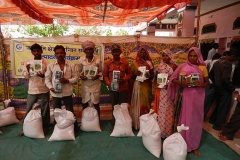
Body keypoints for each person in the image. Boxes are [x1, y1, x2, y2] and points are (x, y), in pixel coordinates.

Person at [167, 47, 210, 156]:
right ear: (188, 56)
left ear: (198, 56)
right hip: (185, 96)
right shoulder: (182, 66)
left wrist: (203, 84)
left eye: (194, 56)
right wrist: (181, 83)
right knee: (184, 118)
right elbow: (173, 78)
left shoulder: (202, 68)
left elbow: (207, 82)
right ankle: (182, 143)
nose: (192, 58)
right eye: (190, 55)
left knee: (195, 120)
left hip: (197, 97)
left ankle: (194, 145)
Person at [45, 45, 79, 136]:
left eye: (61, 52)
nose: (60, 54)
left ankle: (74, 129)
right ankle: (57, 130)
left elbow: (76, 78)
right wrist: (51, 88)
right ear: (55, 55)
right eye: (57, 53)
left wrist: (67, 80)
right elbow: (47, 79)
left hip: (67, 92)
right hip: (55, 93)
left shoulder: (71, 65)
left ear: (65, 53)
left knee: (70, 111)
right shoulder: (50, 66)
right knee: (56, 112)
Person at [18, 43, 50, 137]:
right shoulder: (28, 63)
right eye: (34, 51)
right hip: (32, 89)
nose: (36, 52)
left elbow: (49, 76)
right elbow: (25, 76)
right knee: (28, 108)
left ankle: (45, 127)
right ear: (32, 52)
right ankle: (24, 128)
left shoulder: (46, 63)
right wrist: (28, 70)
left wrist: (43, 76)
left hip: (44, 89)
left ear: (41, 51)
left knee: (45, 108)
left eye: (38, 50)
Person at [103, 44, 132, 125]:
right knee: (114, 107)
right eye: (114, 51)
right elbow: (105, 75)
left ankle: (123, 124)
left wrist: (123, 79)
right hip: (112, 89)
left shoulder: (125, 63)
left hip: (123, 89)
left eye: (117, 51)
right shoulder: (108, 63)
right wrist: (109, 84)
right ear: (111, 53)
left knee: (123, 107)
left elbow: (129, 74)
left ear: (120, 52)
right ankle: (114, 124)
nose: (116, 53)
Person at [208, 51, 237, 131]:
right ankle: (217, 126)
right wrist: (232, 88)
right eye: (232, 56)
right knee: (223, 107)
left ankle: (212, 120)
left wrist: (216, 82)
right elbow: (225, 78)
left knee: (218, 105)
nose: (233, 58)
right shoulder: (228, 64)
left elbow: (210, 74)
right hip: (224, 89)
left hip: (217, 87)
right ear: (229, 56)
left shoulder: (217, 62)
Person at [153, 49, 178, 138]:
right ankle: (161, 131)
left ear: (170, 56)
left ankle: (168, 132)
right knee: (161, 110)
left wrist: (170, 84)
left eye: (166, 55)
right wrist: (157, 83)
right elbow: (156, 78)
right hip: (161, 91)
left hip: (170, 91)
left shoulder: (175, 67)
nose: (165, 57)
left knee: (169, 110)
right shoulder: (160, 67)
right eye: (163, 55)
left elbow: (177, 79)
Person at [129, 47, 154, 130]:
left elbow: (153, 75)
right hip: (137, 85)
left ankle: (145, 125)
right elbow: (131, 76)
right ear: (139, 53)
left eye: (144, 52)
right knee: (137, 103)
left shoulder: (149, 63)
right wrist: (136, 73)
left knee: (146, 103)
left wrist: (149, 76)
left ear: (146, 53)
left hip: (146, 86)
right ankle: (136, 124)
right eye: (141, 52)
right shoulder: (134, 63)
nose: (142, 54)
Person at [78, 40, 102, 121]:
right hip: (85, 85)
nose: (88, 51)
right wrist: (81, 77)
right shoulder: (81, 60)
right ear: (84, 50)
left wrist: (98, 75)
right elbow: (78, 72)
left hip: (95, 84)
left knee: (96, 104)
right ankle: (84, 122)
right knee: (84, 103)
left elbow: (101, 71)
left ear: (93, 50)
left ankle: (98, 123)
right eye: (87, 49)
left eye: (90, 49)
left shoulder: (98, 60)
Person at [204, 53, 222, 117]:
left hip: (209, 82)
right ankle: (203, 115)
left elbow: (210, 74)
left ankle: (201, 115)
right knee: (208, 101)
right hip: (213, 84)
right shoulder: (218, 63)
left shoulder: (209, 61)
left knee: (205, 99)